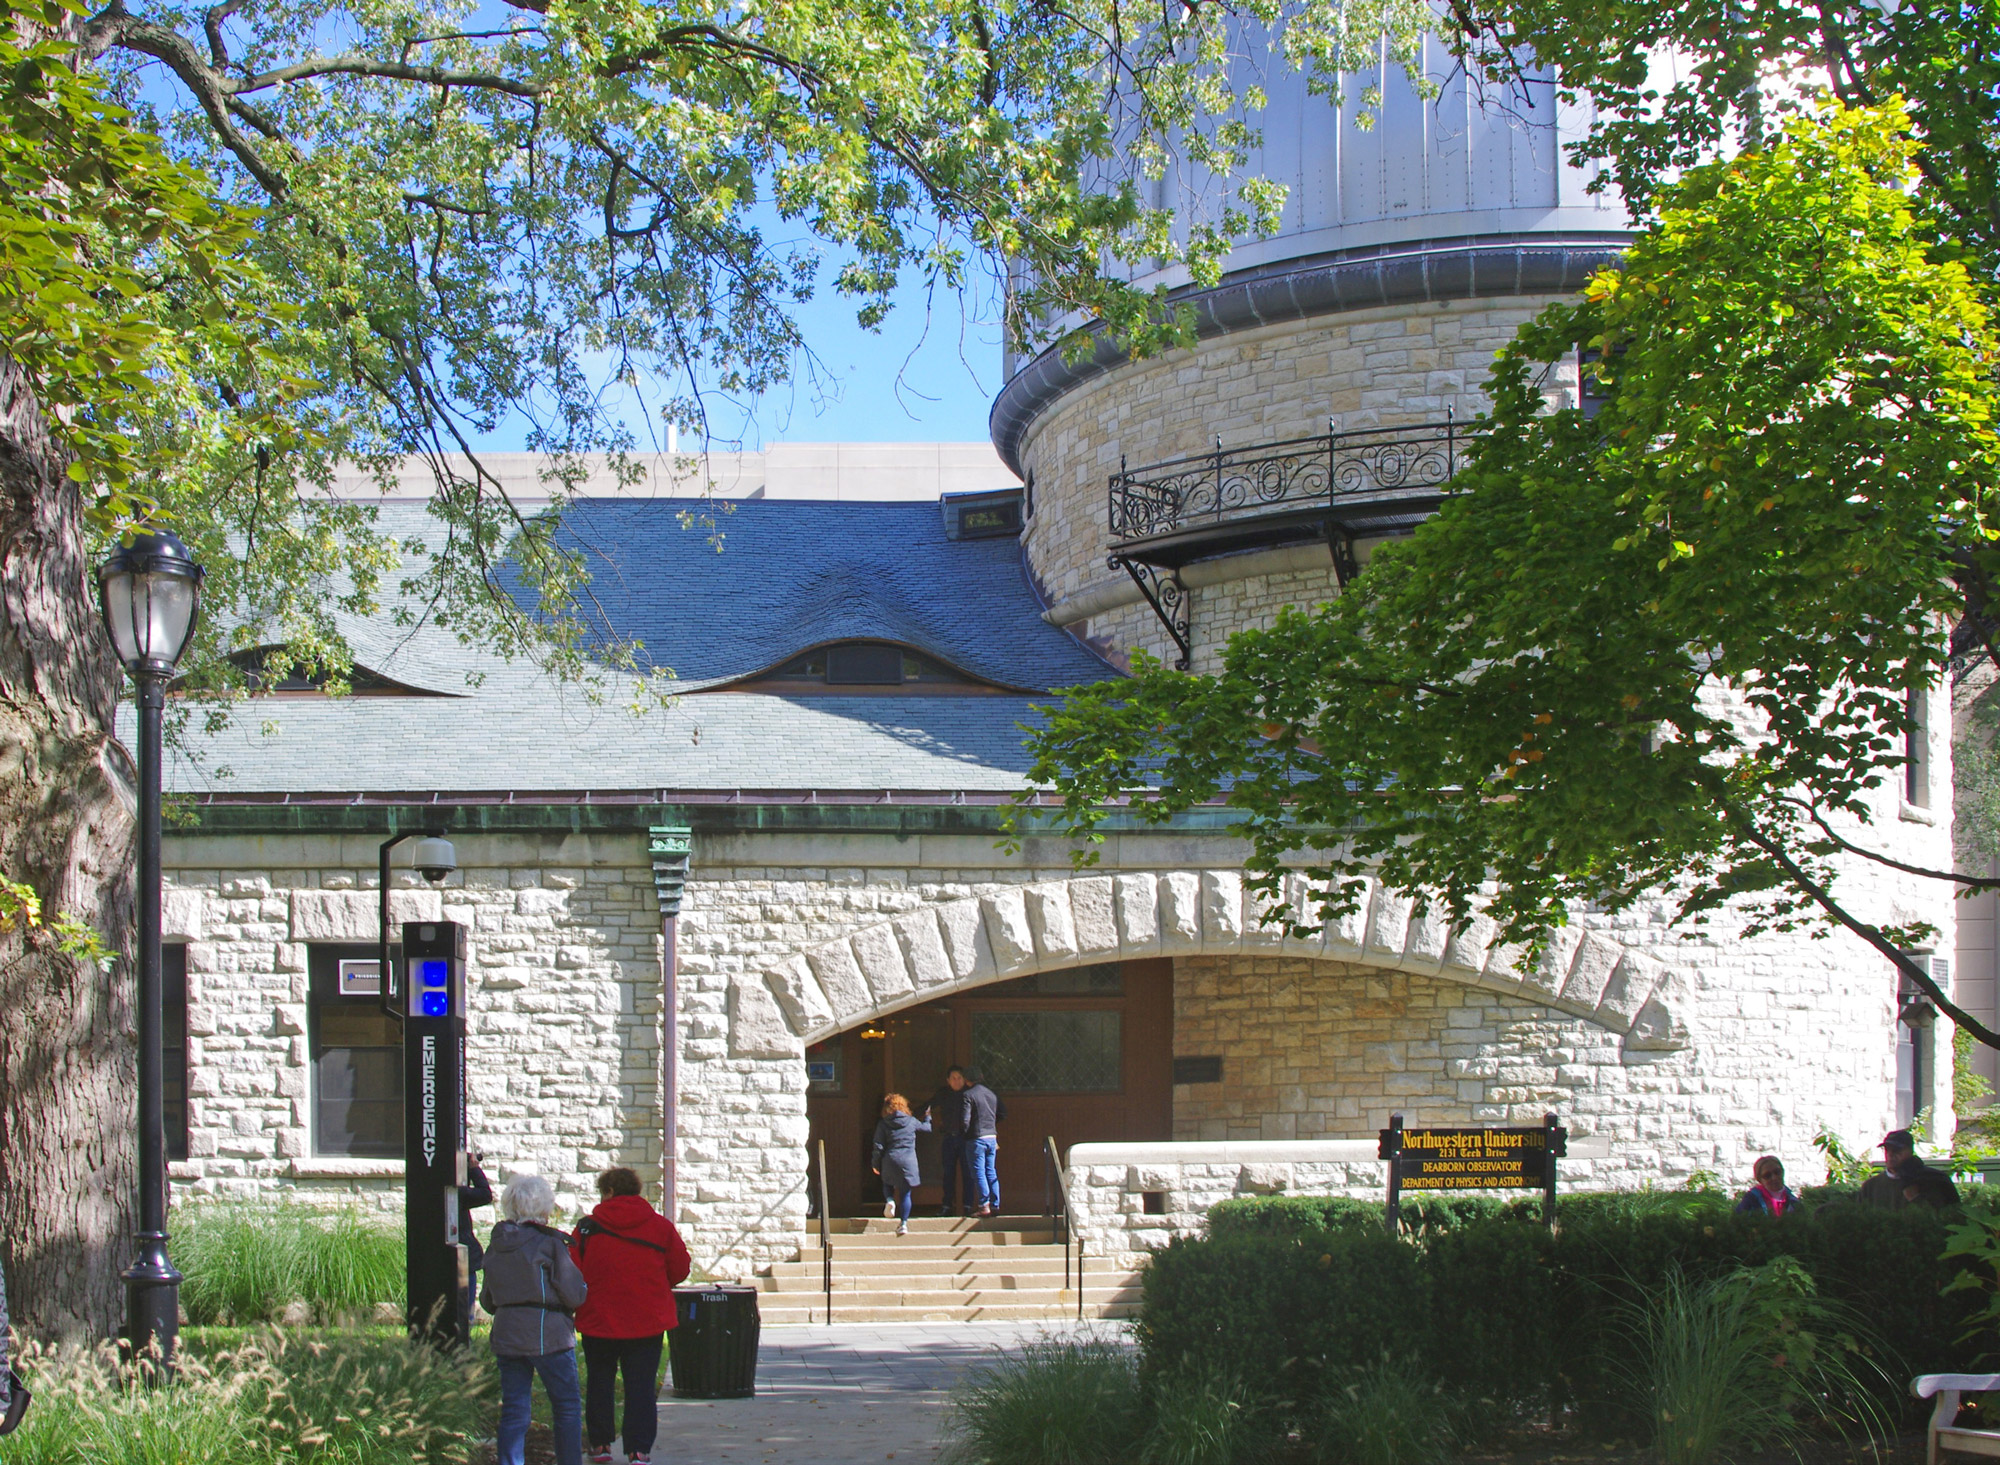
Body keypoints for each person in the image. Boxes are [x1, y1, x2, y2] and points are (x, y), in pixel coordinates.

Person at [569, 1167, 691, 1465]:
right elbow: (681, 1268)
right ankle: (638, 1450)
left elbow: (572, 1271)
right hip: (647, 1320)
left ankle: (600, 1445)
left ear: (608, 1192)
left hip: (598, 1320)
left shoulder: (587, 1228)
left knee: (599, 1382)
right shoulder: (660, 1227)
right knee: (641, 1386)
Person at [482, 1174, 588, 1465]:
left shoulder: (496, 1245)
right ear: (544, 1208)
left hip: (507, 1334)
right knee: (566, 1407)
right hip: (550, 1334)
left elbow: (487, 1300)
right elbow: (574, 1294)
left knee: (514, 1410)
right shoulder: (550, 1244)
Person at [872, 1094, 931, 1236]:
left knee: (887, 1182)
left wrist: (875, 1163)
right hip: (908, 1160)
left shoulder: (883, 1123)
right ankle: (903, 1223)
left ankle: (890, 1200)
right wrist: (928, 1116)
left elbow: (878, 1145)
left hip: (890, 1159)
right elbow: (927, 1128)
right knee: (905, 1194)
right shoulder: (911, 1121)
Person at [1860, 1128, 1962, 1209]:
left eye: (1896, 1149)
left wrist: (1915, 1198)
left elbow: (1951, 1216)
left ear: (1910, 1151)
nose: (1890, 1154)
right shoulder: (1870, 1186)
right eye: (1887, 1149)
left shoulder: (1936, 1180)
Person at [922, 1067, 972, 1217]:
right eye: (953, 1078)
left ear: (964, 1079)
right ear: (948, 1080)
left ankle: (968, 1206)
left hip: (966, 1139)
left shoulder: (969, 1094)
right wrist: (908, 1114)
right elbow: (929, 1105)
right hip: (949, 1138)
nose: (956, 1081)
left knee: (968, 1173)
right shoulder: (943, 1093)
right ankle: (947, 1205)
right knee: (948, 1173)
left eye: (959, 1078)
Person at [459, 1151, 494, 1336]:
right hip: (464, 1258)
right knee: (465, 1310)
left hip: (463, 1257)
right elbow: (485, 1194)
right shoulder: (455, 1192)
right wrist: (474, 1170)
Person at [962, 1071, 1006, 1216]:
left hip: (976, 1138)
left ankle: (983, 1205)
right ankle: (995, 1204)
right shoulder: (991, 1094)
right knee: (991, 1170)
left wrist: (964, 1133)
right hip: (991, 1136)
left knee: (978, 1172)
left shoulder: (968, 1095)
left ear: (967, 1080)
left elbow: (965, 1120)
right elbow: (1001, 1113)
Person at [1733, 1155, 1799, 1216]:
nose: (1774, 1178)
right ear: (1759, 1180)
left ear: (1783, 1172)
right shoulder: (1751, 1200)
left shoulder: (1793, 1201)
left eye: (1777, 1172)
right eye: (1767, 1176)